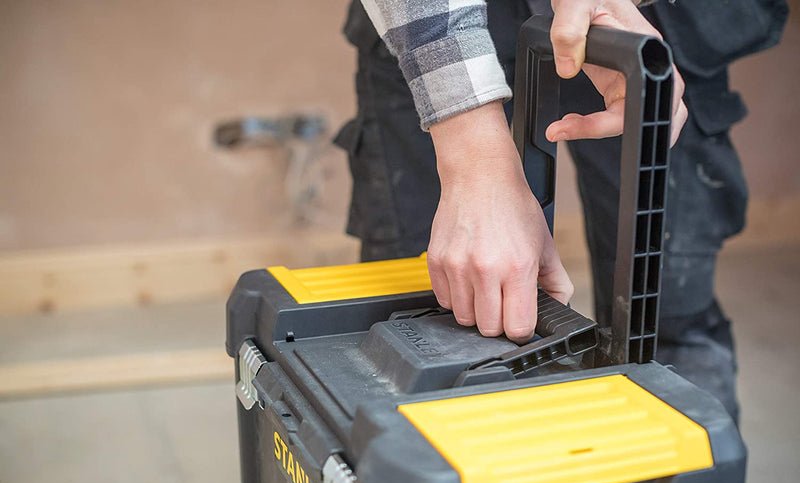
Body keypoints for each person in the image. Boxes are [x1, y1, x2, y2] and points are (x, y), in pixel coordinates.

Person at [335, 0, 787, 428]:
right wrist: (471, 154)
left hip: (649, 23)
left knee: (666, 318)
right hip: (441, 20)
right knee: (429, 302)